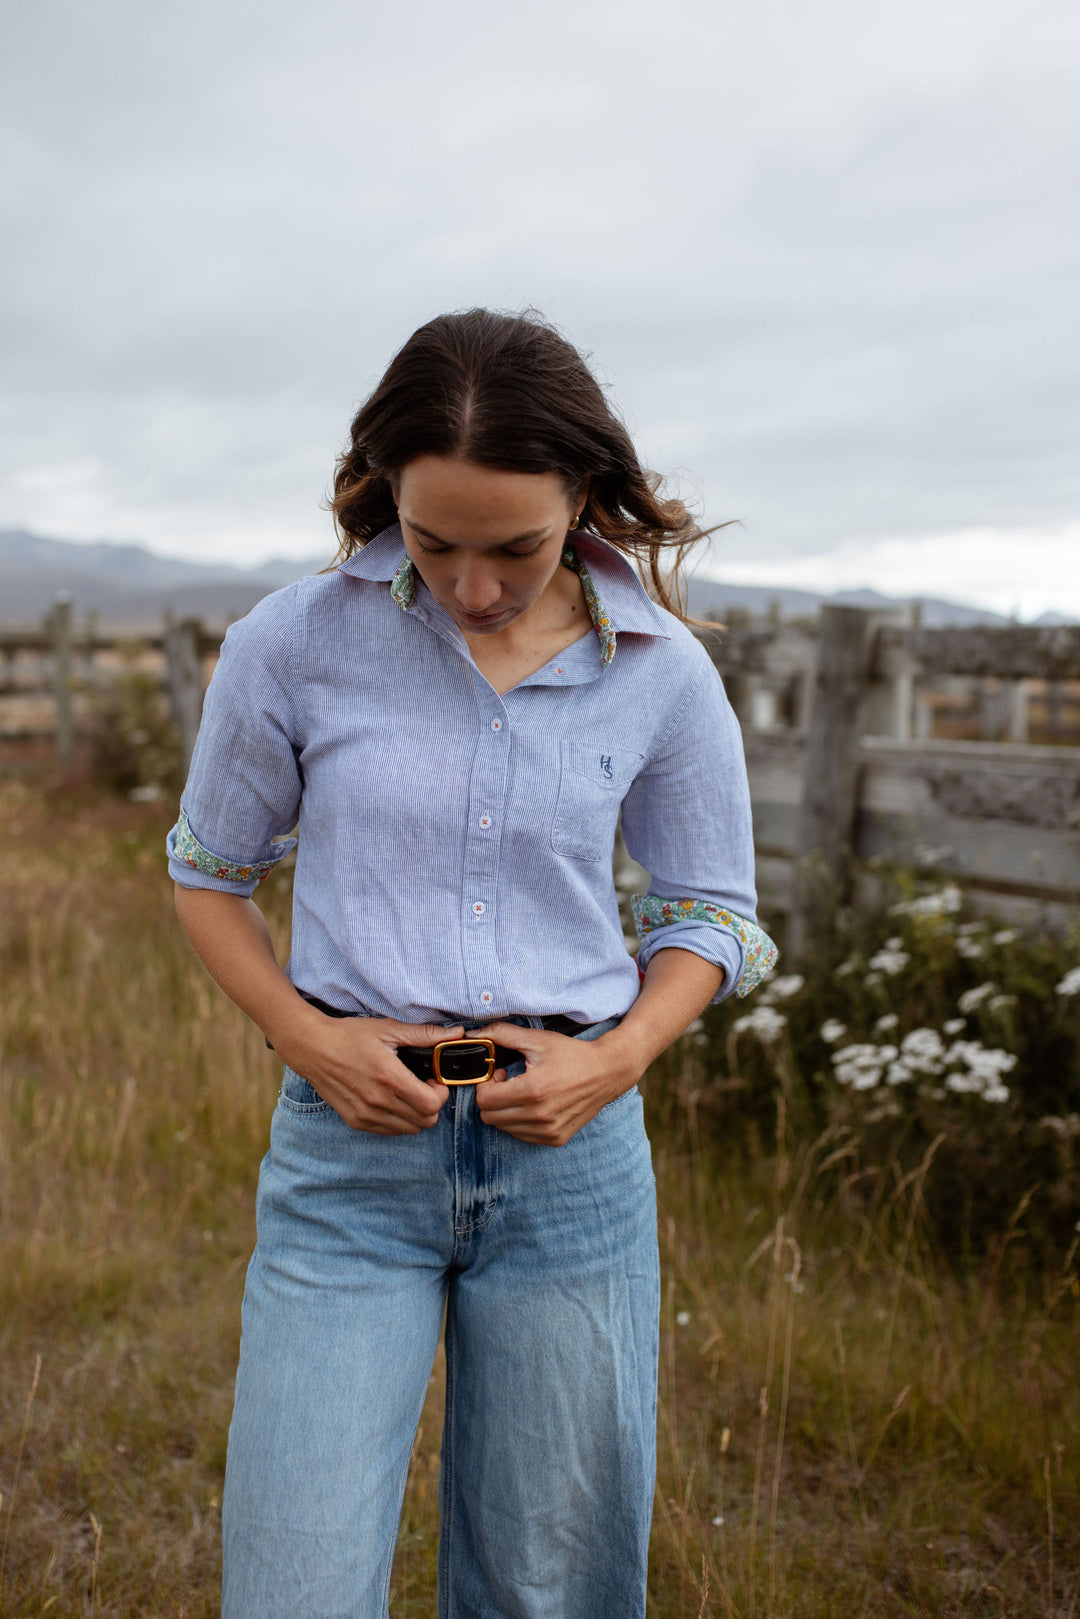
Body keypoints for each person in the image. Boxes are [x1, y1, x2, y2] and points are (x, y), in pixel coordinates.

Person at [168, 307, 777, 1619]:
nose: (475, 586)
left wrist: (616, 1062)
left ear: (585, 498)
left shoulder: (664, 674)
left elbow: (713, 915)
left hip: (573, 1167)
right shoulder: (291, 642)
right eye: (435, 541)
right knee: (293, 1585)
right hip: (349, 1160)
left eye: (516, 547)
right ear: (385, 491)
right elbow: (208, 874)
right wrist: (307, 1038)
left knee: (548, 1590)